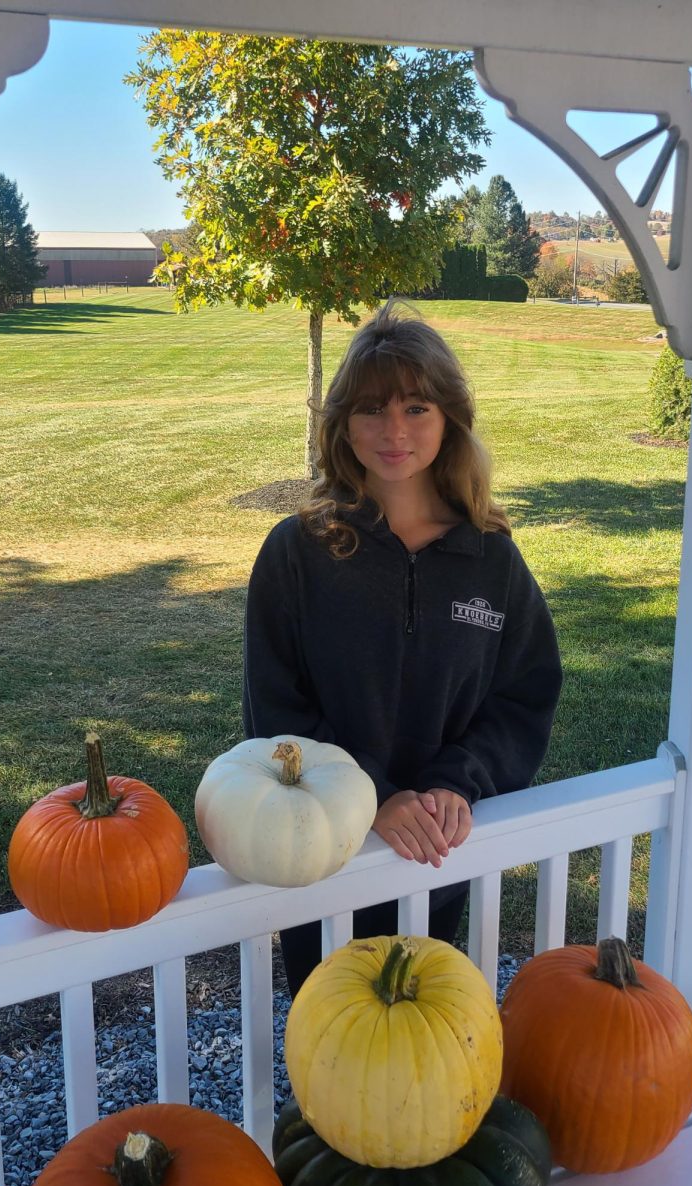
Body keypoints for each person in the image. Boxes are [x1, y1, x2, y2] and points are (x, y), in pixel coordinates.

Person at [242, 300, 563, 997]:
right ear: (342, 426)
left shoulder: (491, 561)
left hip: (436, 865)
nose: (393, 431)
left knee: (423, 1049)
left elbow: (524, 695)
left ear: (449, 419)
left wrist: (458, 779)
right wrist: (371, 799)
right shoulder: (298, 553)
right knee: (329, 1045)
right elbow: (274, 710)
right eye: (370, 409)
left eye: (416, 408)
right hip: (323, 859)